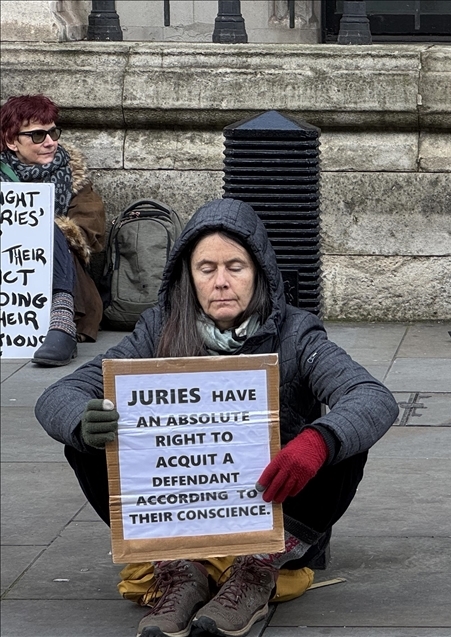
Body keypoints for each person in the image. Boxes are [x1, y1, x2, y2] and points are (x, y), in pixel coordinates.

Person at [35, 198, 400, 637]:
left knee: (343, 440)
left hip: (271, 509)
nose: (221, 282)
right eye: (206, 269)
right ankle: (179, 571)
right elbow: (58, 395)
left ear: (259, 273)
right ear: (188, 276)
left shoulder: (297, 332)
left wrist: (315, 443)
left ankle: (257, 572)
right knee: (89, 437)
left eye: (235, 267)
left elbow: (372, 397)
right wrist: (82, 421)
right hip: (180, 515)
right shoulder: (158, 328)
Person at [1, 94, 107, 366]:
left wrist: (40, 229)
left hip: (65, 272)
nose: (50, 142)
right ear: (12, 141)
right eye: (38, 135)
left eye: (53, 132)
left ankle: (62, 319)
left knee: (47, 225)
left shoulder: (72, 175)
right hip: (8, 272)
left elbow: (90, 228)